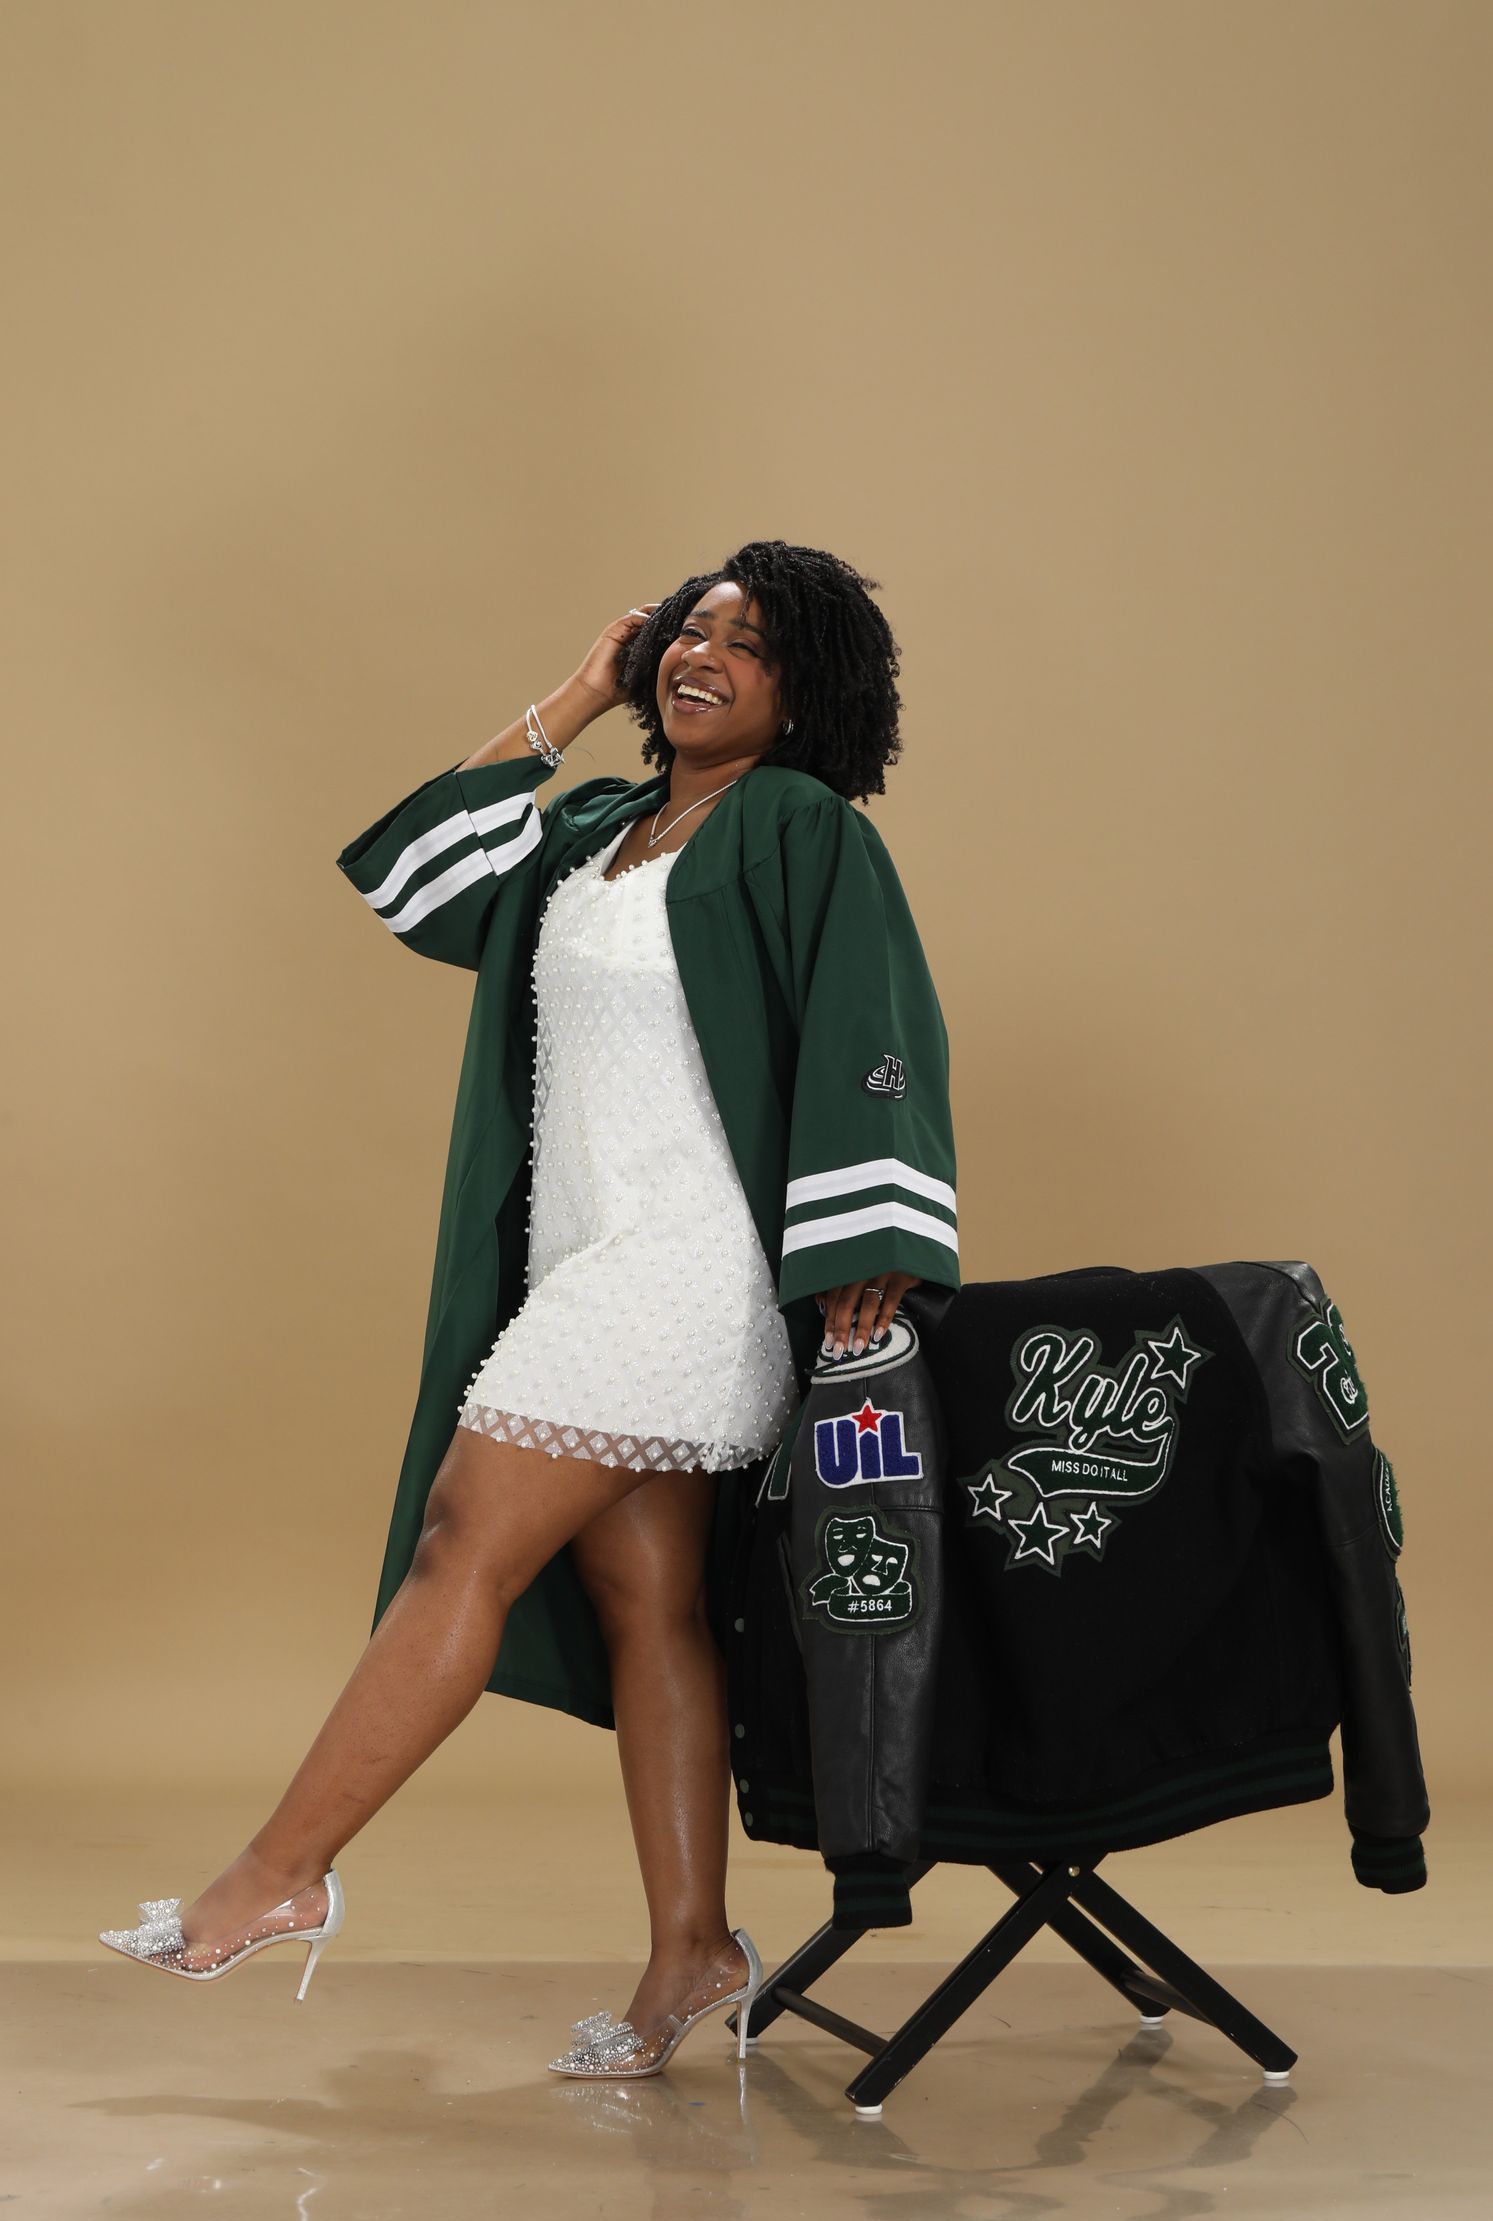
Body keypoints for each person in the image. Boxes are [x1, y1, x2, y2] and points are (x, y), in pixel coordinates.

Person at [97, 539, 961, 2077]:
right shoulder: (604, 829)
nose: (706, 656)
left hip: (686, 1265)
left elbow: (872, 1023)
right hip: (583, 1255)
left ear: (805, 688)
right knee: (649, 1607)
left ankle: (280, 1871)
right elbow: (416, 882)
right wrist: (572, 694)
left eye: (748, 643)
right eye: (688, 632)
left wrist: (865, 1245)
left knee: (461, 1544)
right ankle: (693, 1951)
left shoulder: (795, 825)